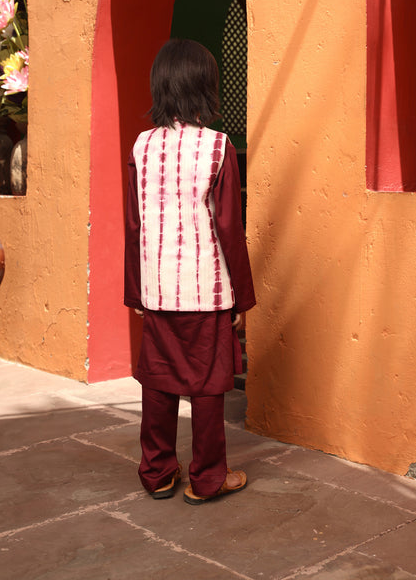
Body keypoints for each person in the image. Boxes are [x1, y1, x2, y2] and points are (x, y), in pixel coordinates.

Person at [124, 38, 256, 505]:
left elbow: (134, 225)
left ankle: (157, 472)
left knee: (158, 381)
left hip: (158, 289)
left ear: (161, 87)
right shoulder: (219, 148)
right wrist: (242, 298)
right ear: (206, 87)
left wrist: (137, 294)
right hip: (207, 289)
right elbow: (229, 228)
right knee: (206, 386)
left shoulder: (142, 147)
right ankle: (207, 478)